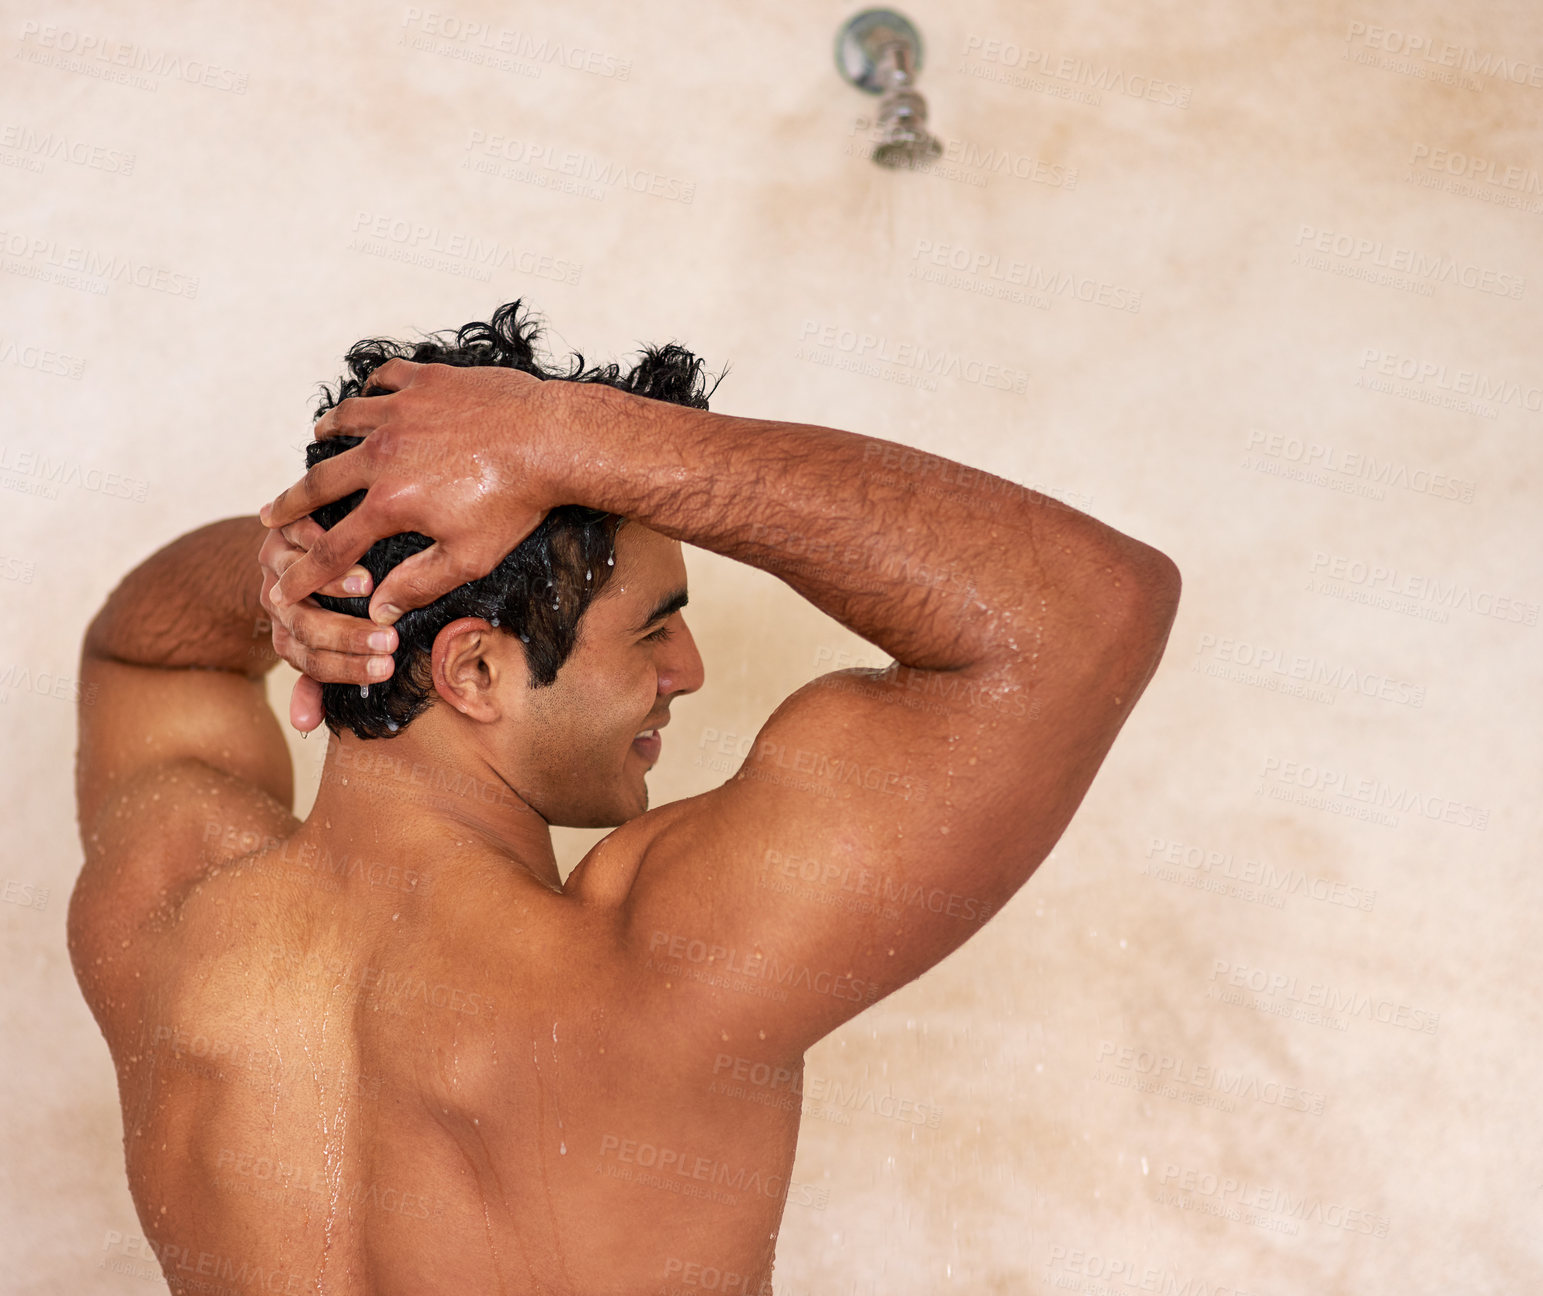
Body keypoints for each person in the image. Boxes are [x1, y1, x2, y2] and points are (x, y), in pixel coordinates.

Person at [69, 300, 1180, 1294]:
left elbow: (150, 656)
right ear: (475, 672)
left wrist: (306, 563)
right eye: (653, 624)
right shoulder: (653, 964)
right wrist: (573, 443)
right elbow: (1083, 611)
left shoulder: (172, 900)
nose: (688, 668)